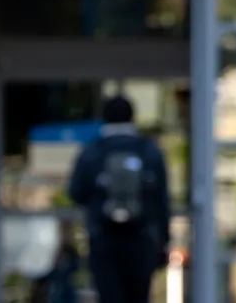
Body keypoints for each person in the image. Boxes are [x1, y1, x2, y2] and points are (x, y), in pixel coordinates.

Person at [69, 95, 172, 303]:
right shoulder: (149, 152)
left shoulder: (92, 152)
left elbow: (76, 193)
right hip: (142, 239)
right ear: (132, 117)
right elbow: (162, 201)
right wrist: (164, 242)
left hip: (104, 239)